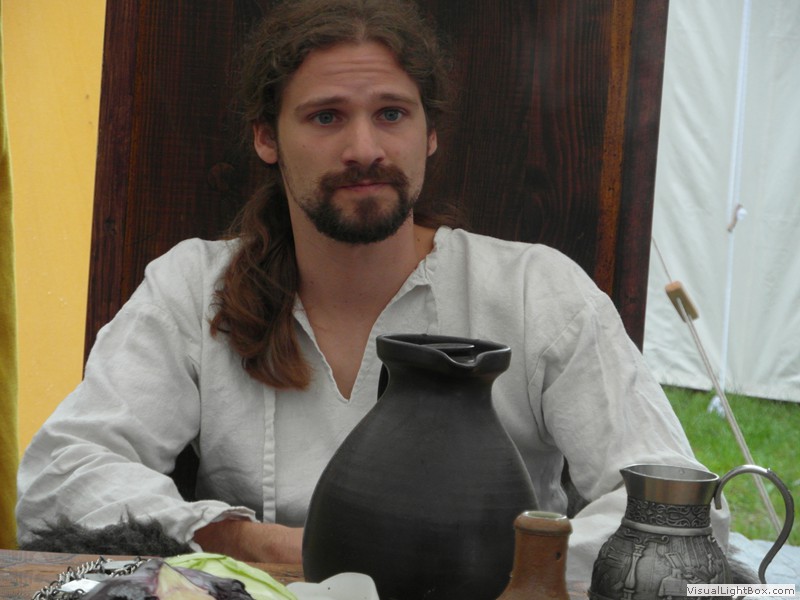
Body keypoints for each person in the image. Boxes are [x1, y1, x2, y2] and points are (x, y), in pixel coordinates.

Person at [16, 0, 728, 580]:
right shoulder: (192, 288)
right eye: (326, 116)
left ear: (430, 134)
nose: (364, 149)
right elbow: (62, 475)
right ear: (267, 138)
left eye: (391, 113)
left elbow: (680, 513)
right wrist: (244, 540)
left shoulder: (535, 292)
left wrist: (499, 571)